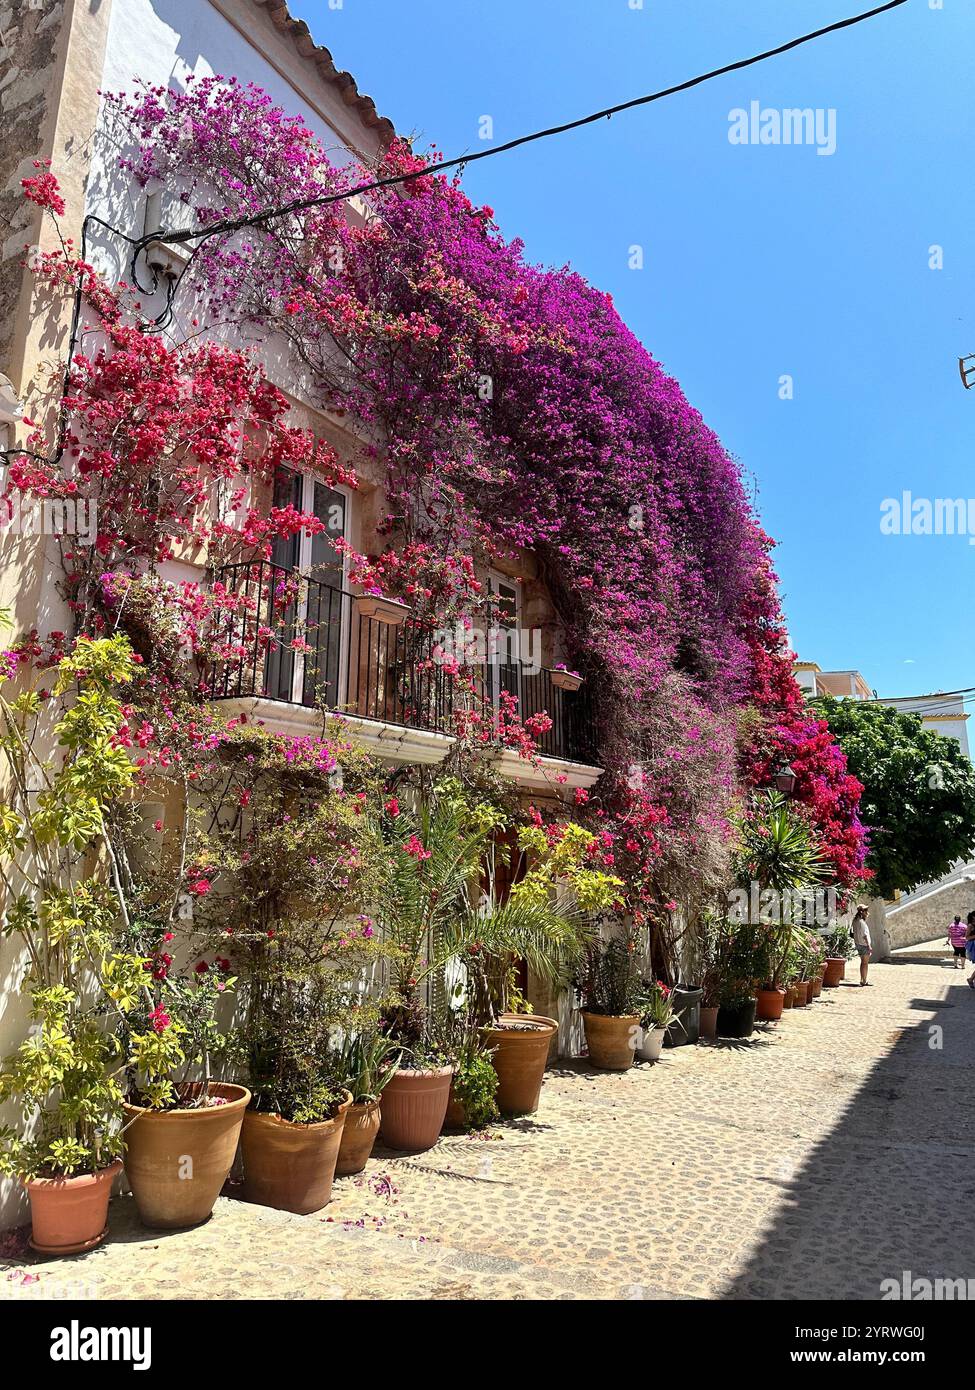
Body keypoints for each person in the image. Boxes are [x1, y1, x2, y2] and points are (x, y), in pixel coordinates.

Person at [852, 905, 871, 986]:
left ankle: (862, 979)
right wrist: (869, 946)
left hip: (858, 943)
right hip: (864, 944)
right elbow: (865, 935)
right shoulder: (861, 922)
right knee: (865, 963)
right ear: (862, 912)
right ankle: (864, 980)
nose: (867, 912)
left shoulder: (855, 920)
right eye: (865, 910)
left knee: (862, 962)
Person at [966, 912, 975, 992]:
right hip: (973, 947)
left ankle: (971, 979)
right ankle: (971, 979)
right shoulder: (970, 926)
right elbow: (967, 937)